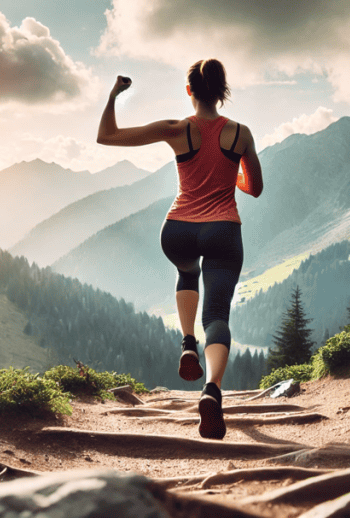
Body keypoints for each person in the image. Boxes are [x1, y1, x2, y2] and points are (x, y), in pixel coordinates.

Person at [97, 59, 263, 439]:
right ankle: (212, 391)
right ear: (222, 91)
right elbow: (254, 188)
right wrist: (231, 169)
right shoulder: (241, 134)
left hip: (177, 230)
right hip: (222, 230)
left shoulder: (176, 129)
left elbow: (107, 136)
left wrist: (114, 95)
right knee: (217, 314)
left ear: (189, 91)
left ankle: (187, 342)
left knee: (187, 272)